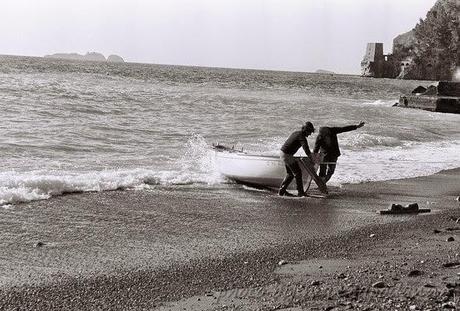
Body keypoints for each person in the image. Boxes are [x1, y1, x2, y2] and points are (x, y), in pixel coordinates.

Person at [279, 121, 315, 197]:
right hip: (287, 155)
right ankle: (300, 192)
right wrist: (311, 159)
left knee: (290, 174)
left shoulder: (297, 133)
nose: (310, 134)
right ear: (306, 130)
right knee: (297, 173)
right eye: (309, 132)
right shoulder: (301, 136)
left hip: (284, 153)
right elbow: (306, 149)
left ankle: (282, 191)